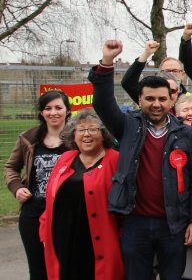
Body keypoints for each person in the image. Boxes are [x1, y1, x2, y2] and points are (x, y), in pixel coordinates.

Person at [91, 39, 192, 280]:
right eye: (150, 99)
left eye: (162, 99)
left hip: (173, 225)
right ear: (140, 100)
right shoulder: (127, 126)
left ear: (171, 101)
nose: (156, 104)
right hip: (135, 223)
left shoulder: (186, 133)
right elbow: (102, 102)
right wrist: (107, 62)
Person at [39, 109, 123, 280]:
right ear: (73, 134)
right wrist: (44, 229)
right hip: (65, 237)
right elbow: (51, 198)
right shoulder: (66, 158)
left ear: (103, 133)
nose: (87, 134)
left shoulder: (115, 160)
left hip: (98, 240)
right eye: (81, 129)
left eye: (93, 129)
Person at [4, 90, 71, 280]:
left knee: (65, 267)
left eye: (58, 107)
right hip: (33, 213)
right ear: (41, 112)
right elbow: (11, 167)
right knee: (38, 269)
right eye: (47, 108)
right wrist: (17, 187)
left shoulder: (78, 139)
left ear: (67, 111)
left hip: (66, 213)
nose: (53, 113)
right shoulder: (28, 138)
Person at [121, 41, 189, 101]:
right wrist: (146, 53)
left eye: (175, 71)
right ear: (160, 74)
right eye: (166, 71)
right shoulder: (149, 97)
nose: (171, 74)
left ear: (183, 74)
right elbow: (128, 83)